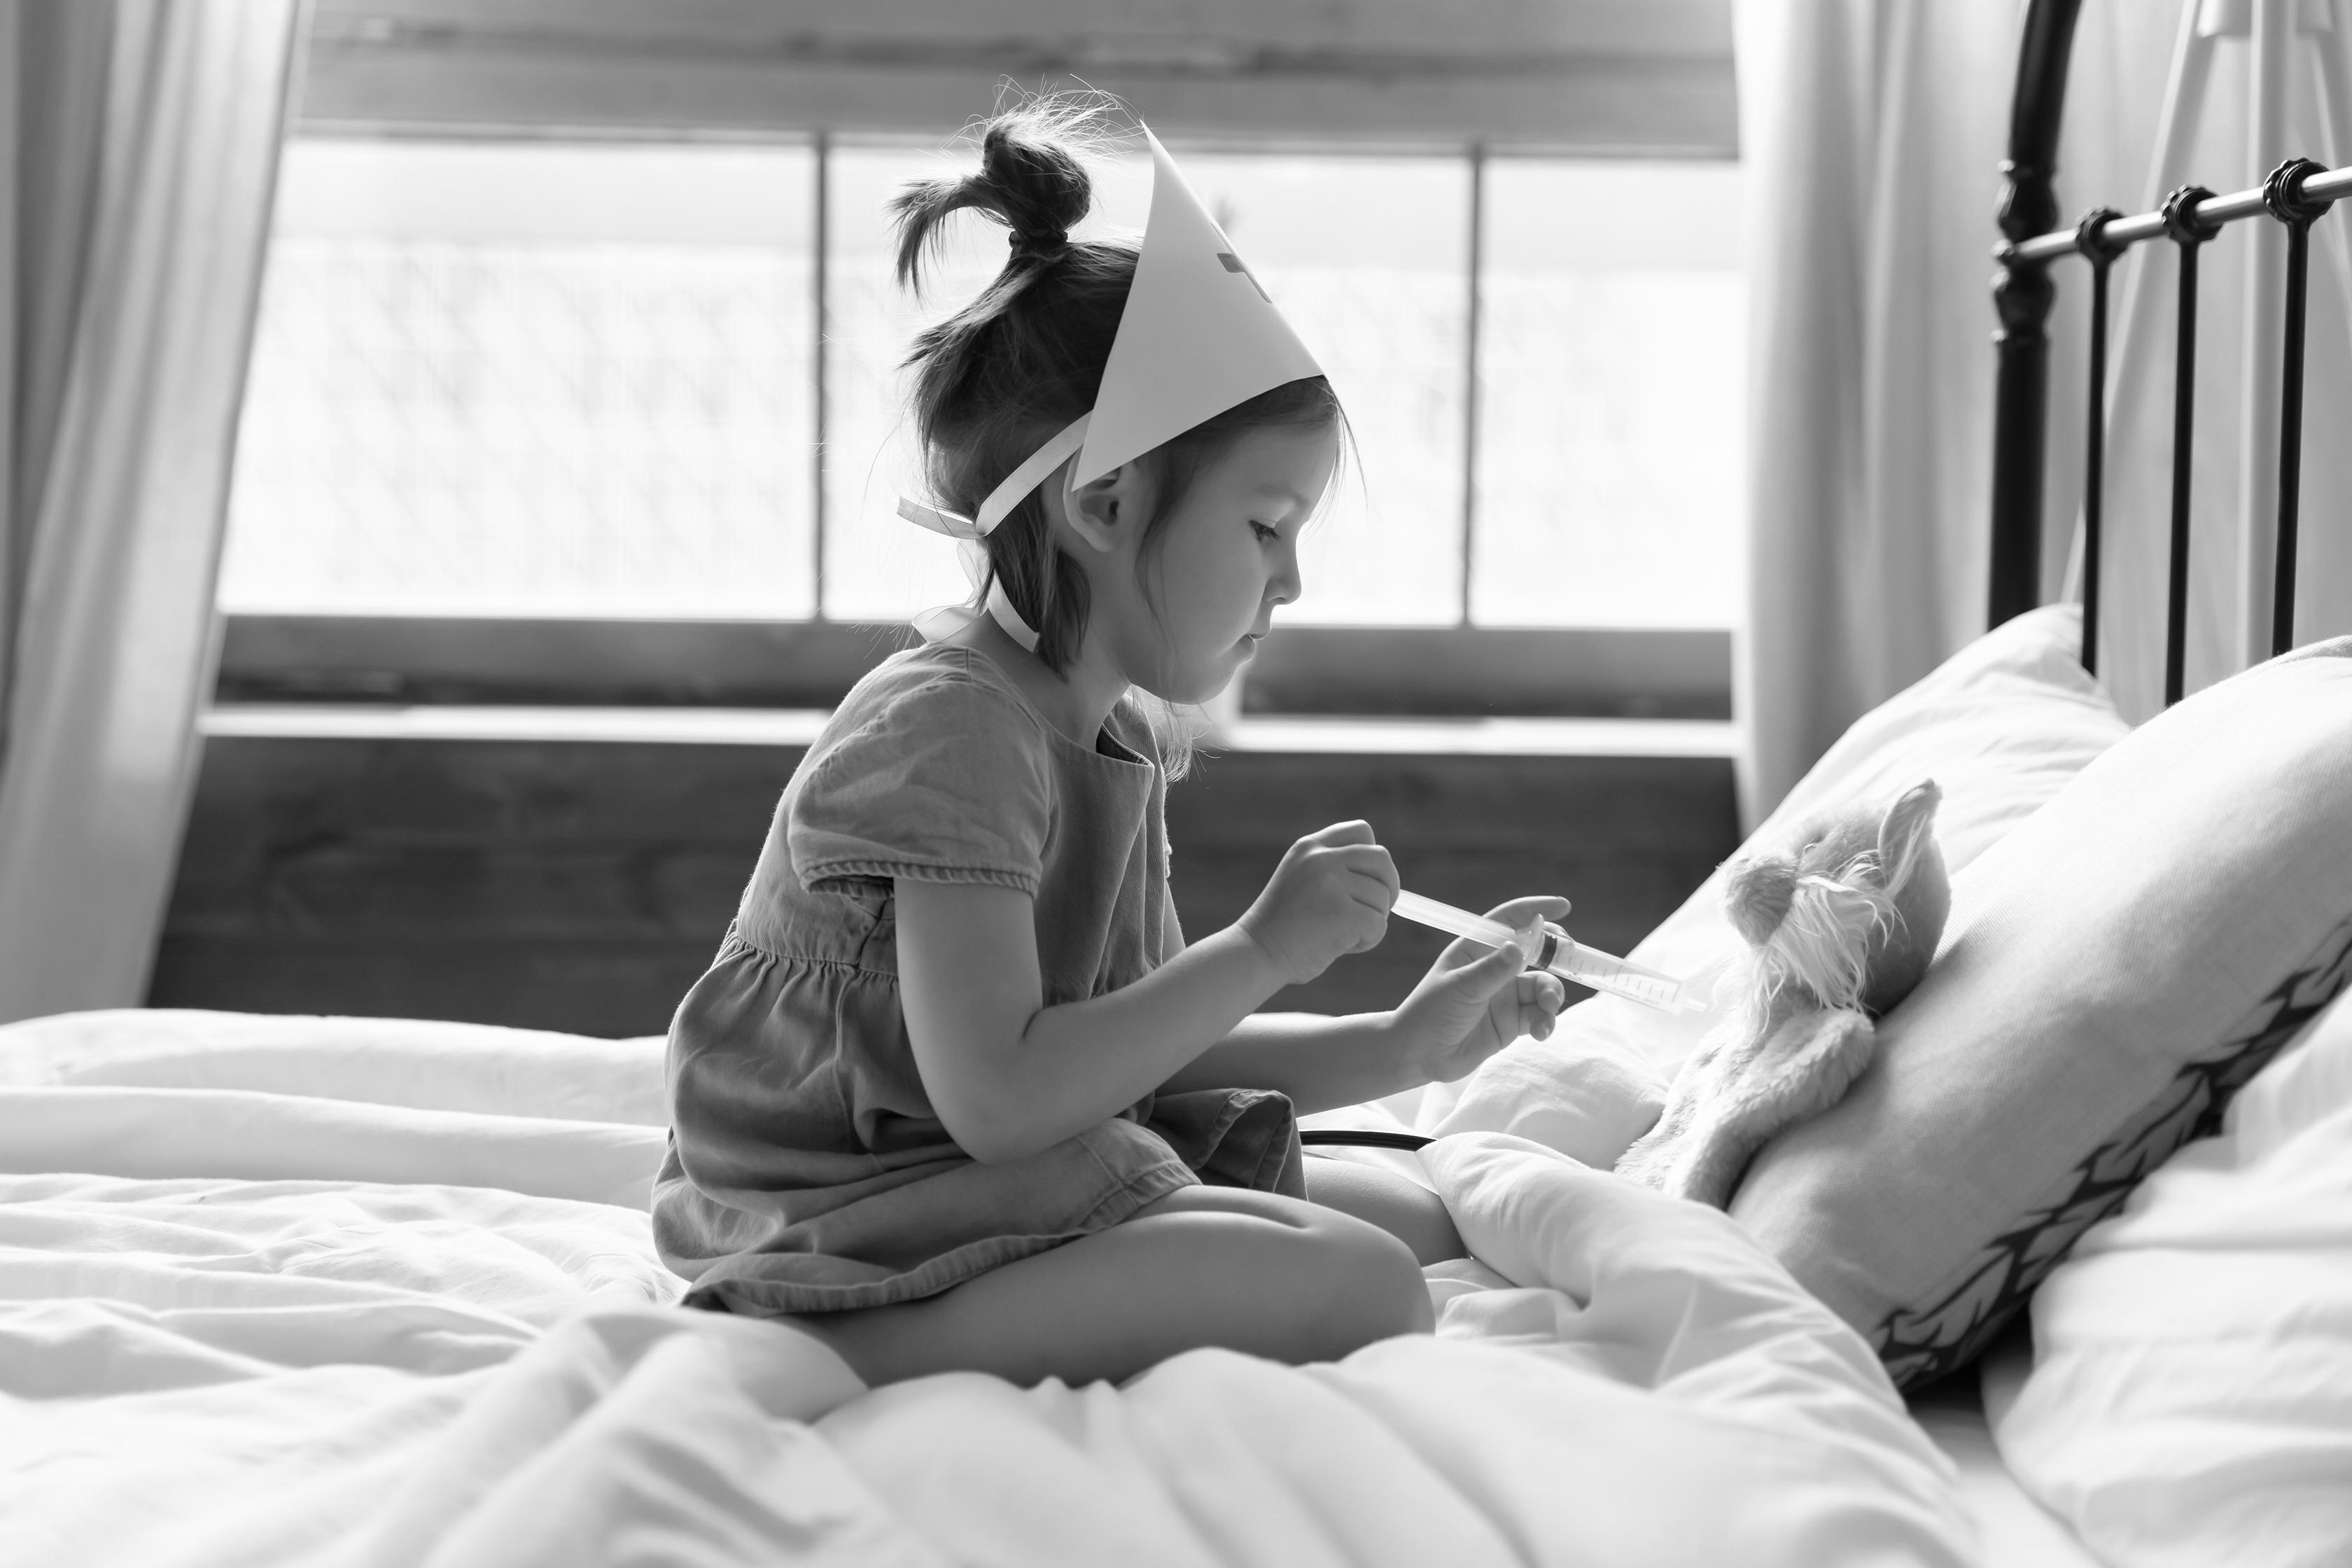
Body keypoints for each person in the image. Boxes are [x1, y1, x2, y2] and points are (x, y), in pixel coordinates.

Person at [652, 99, 1567, 1390]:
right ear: (1102, 502)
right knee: (1364, 1281)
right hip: (852, 1208)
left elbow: (1125, 1046)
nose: (1291, 581)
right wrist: (1262, 949)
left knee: (1420, 1223)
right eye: (1265, 528)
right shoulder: (952, 729)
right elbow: (1003, 1098)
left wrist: (1405, 1045)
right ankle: (843, 1336)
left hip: (980, 1162)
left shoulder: (1107, 727)